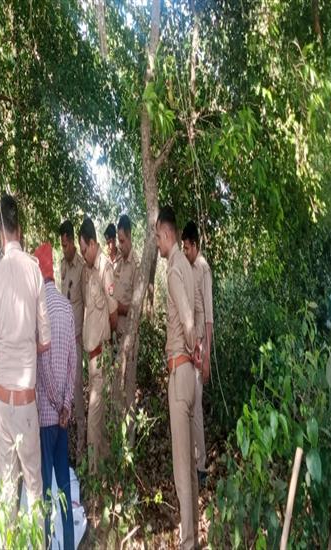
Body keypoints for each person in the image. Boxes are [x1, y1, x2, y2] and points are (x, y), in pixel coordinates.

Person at [0, 194, 51, 530]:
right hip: (24, 402)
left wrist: (5, 344)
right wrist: (24, 344)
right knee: (34, 488)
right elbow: (46, 342)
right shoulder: (34, 271)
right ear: (19, 229)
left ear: (1, 231)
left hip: (0, 401)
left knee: (7, 491)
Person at [156, 206, 203, 550]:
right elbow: (198, 313)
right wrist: (198, 351)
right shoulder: (189, 266)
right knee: (190, 464)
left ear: (166, 233)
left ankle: (188, 542)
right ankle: (194, 535)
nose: (157, 243)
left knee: (181, 469)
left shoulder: (174, 270)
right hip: (192, 374)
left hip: (180, 370)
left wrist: (191, 347)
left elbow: (188, 319)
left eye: (157, 236)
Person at [34, 243, 76, 550]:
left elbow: (43, 362)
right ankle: (69, 543)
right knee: (64, 486)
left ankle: (48, 544)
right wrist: (66, 404)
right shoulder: (66, 307)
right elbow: (74, 361)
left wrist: (53, 403)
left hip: (45, 417)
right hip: (63, 417)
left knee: (46, 492)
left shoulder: (40, 309)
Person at [79, 217, 118, 473]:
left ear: (93, 244)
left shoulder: (105, 268)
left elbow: (113, 313)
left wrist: (108, 344)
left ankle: (93, 471)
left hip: (101, 354)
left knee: (94, 415)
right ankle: (103, 463)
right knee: (98, 414)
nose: (83, 255)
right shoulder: (88, 271)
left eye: (85, 249)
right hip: (91, 357)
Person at [182, 220, 213, 488]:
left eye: (187, 247)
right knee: (189, 405)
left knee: (197, 407)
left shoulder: (203, 269)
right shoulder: (187, 267)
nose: (185, 251)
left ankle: (200, 465)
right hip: (189, 346)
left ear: (195, 245)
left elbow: (209, 318)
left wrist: (207, 357)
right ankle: (192, 462)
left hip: (201, 346)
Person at [59, 220, 86, 462]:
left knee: (77, 393)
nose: (64, 249)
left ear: (72, 242)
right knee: (63, 394)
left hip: (77, 340)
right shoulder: (62, 266)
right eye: (62, 245)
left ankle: (81, 449)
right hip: (63, 342)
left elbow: (87, 305)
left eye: (66, 245)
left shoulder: (82, 268)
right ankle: (66, 449)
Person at [114, 214, 140, 410]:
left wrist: (119, 308)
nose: (119, 245)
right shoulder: (119, 263)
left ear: (130, 236)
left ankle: (129, 428)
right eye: (118, 240)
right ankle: (117, 427)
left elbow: (137, 308)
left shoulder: (136, 265)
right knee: (116, 388)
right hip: (117, 335)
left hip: (129, 338)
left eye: (122, 241)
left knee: (128, 390)